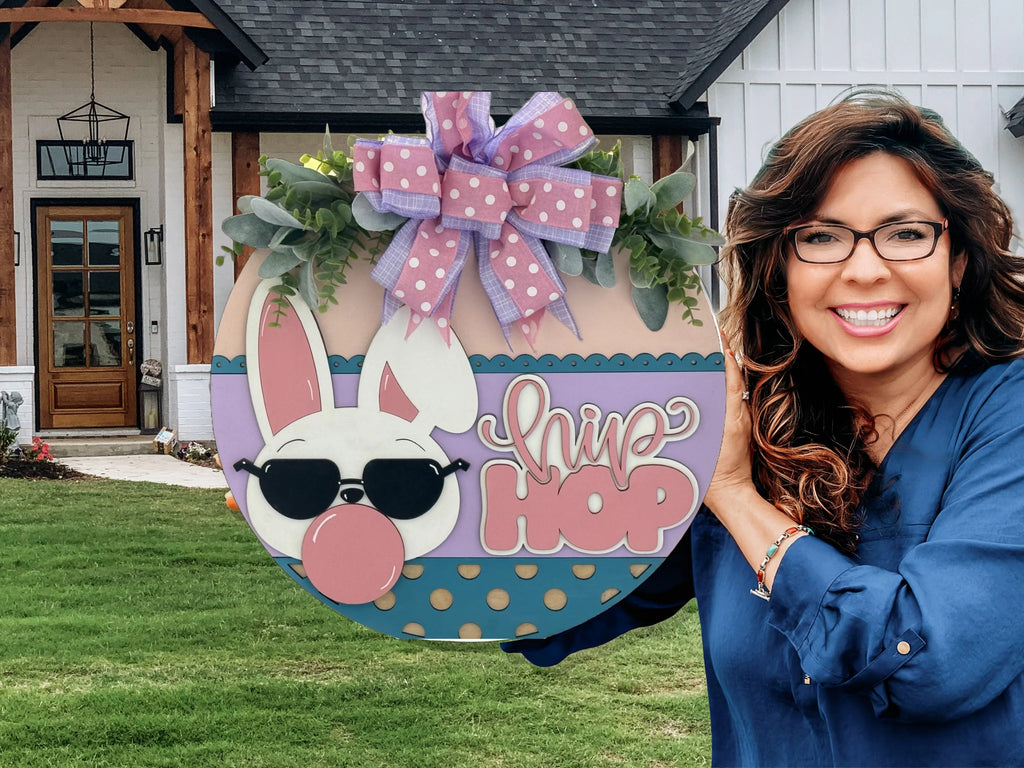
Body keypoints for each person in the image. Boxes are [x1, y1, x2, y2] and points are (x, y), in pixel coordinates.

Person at [504, 91, 1024, 767]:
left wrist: (735, 495)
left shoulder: (1005, 417)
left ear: (957, 261)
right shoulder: (747, 419)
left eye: (905, 233)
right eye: (821, 237)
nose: (865, 269)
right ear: (779, 268)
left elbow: (927, 662)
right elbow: (563, 600)